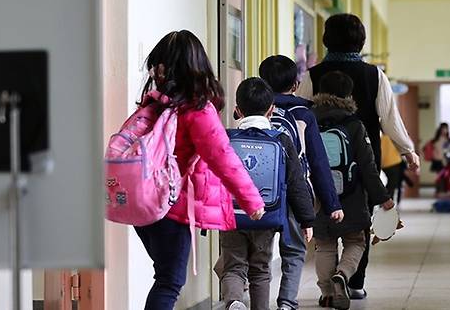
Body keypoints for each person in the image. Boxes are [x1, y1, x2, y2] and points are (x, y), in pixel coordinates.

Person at [133, 31, 266, 310]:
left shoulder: (154, 105)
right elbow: (222, 157)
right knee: (169, 281)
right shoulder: (196, 110)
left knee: (165, 277)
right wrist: (252, 200)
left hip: (143, 203)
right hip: (171, 207)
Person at [298, 13, 419, 300]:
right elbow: (390, 119)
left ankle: (327, 288)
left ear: (327, 39)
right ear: (361, 41)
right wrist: (407, 150)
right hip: (363, 166)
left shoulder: (313, 75)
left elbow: (301, 118)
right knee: (359, 226)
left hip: (320, 168)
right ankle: (354, 282)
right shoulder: (373, 75)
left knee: (325, 232)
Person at [219, 78, 315, 310]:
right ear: (271, 109)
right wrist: (307, 219)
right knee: (260, 270)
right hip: (266, 215)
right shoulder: (281, 140)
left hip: (231, 214)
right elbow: (296, 183)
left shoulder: (226, 138)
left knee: (233, 266)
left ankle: (234, 301)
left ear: (237, 110)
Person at [258, 55, 344, 310]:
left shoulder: (251, 107)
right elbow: (318, 163)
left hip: (259, 193)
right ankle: (286, 302)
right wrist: (331, 203)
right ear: (295, 84)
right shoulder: (305, 114)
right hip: (297, 192)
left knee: (257, 253)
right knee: (294, 250)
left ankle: (240, 297)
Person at [311, 72, 395, 310]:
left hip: (320, 197)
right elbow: (369, 169)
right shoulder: (354, 125)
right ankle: (343, 274)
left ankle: (327, 293)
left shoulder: (309, 121)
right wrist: (384, 199)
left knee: (324, 245)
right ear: (348, 95)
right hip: (352, 197)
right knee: (356, 242)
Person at [381, 134, 406, 203]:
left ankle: (387, 201)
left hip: (384, 165)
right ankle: (387, 201)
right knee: (392, 185)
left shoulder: (381, 138)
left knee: (391, 184)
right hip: (395, 162)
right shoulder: (393, 137)